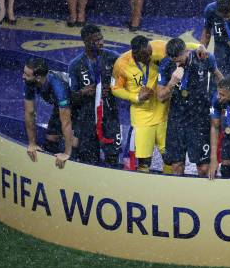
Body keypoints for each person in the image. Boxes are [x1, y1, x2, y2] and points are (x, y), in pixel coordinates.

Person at [111, 35, 205, 173]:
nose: (150, 58)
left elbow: (181, 46)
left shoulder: (158, 47)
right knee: (144, 161)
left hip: (164, 114)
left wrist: (199, 47)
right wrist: (136, 96)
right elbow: (115, 88)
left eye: (150, 53)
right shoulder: (121, 64)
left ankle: (168, 186)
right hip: (142, 117)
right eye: (146, 56)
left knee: (169, 158)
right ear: (135, 53)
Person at [157, 38, 223, 176]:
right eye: (173, 59)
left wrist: (223, 98)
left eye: (179, 59)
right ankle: (179, 196)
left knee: (204, 168)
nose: (176, 62)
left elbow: (218, 77)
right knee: (176, 166)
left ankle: (202, 196)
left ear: (186, 52)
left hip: (199, 119)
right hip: (177, 120)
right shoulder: (166, 64)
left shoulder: (204, 58)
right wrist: (172, 82)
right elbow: (161, 97)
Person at [68, 24, 121, 166]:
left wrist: (112, 88)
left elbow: (127, 78)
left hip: (110, 116)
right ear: (85, 41)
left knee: (112, 158)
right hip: (87, 119)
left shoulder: (113, 58)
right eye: (96, 40)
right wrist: (83, 92)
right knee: (89, 160)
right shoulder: (75, 65)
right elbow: (71, 97)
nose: (100, 43)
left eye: (101, 39)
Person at [23, 58, 75, 169]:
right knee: (51, 138)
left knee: (75, 143)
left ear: (37, 78)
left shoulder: (58, 86)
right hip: (60, 105)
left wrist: (67, 153)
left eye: (26, 75)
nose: (23, 76)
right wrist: (32, 143)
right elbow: (29, 112)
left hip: (81, 103)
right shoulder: (29, 82)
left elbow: (66, 122)